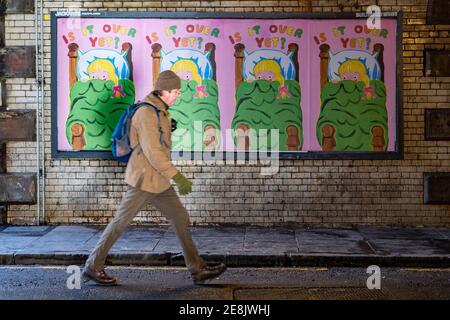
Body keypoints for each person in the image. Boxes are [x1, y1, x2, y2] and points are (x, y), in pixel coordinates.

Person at [82, 70, 227, 286]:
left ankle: (197, 269)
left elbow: (158, 144)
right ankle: (93, 265)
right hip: (143, 179)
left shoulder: (161, 112)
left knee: (180, 218)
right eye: (176, 91)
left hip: (158, 180)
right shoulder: (147, 113)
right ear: (165, 91)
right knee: (120, 222)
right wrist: (178, 177)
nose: (178, 95)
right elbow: (154, 152)